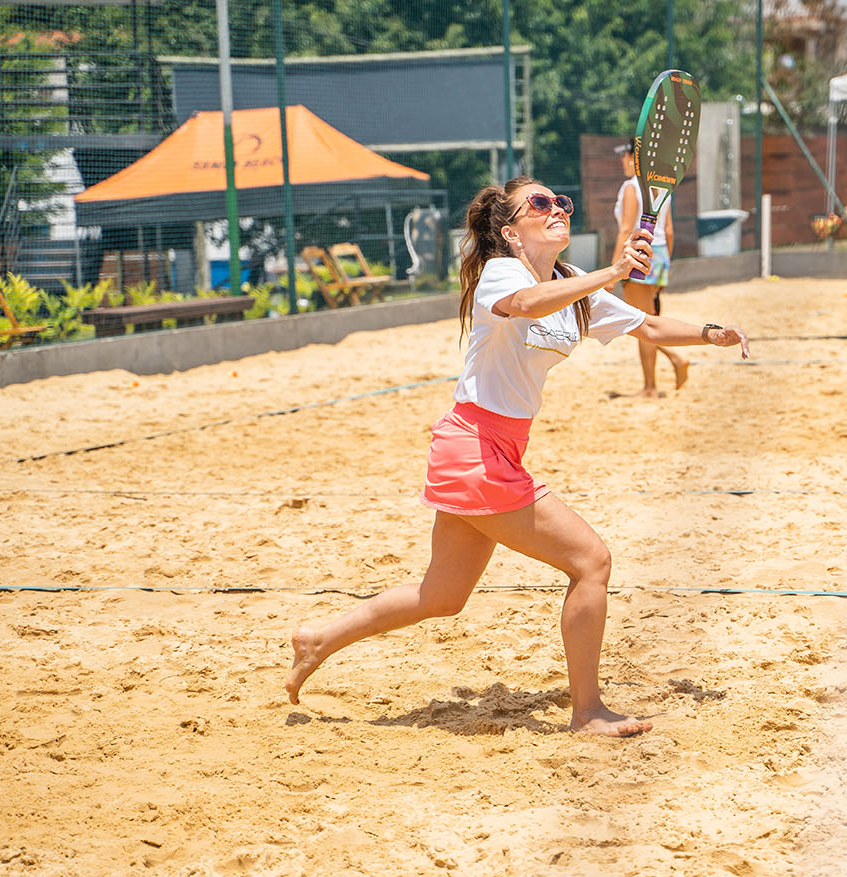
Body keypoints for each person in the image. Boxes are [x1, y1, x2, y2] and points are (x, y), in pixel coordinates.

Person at [285, 175, 750, 737]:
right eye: (541, 203)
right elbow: (526, 304)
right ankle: (588, 712)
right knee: (591, 562)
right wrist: (614, 272)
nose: (558, 209)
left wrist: (711, 333)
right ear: (510, 231)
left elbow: (647, 323)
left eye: (562, 201)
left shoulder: (570, 283)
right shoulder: (503, 273)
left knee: (441, 596)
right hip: (474, 448)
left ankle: (318, 639)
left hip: (493, 448)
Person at [611, 142, 688, 396]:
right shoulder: (662, 187)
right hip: (660, 256)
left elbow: (626, 229)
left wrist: (613, 270)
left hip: (640, 256)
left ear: (635, 157)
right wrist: (665, 264)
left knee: (641, 323)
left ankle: (669, 365)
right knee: (645, 320)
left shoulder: (632, 187)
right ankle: (651, 384)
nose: (622, 160)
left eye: (624, 155)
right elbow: (669, 231)